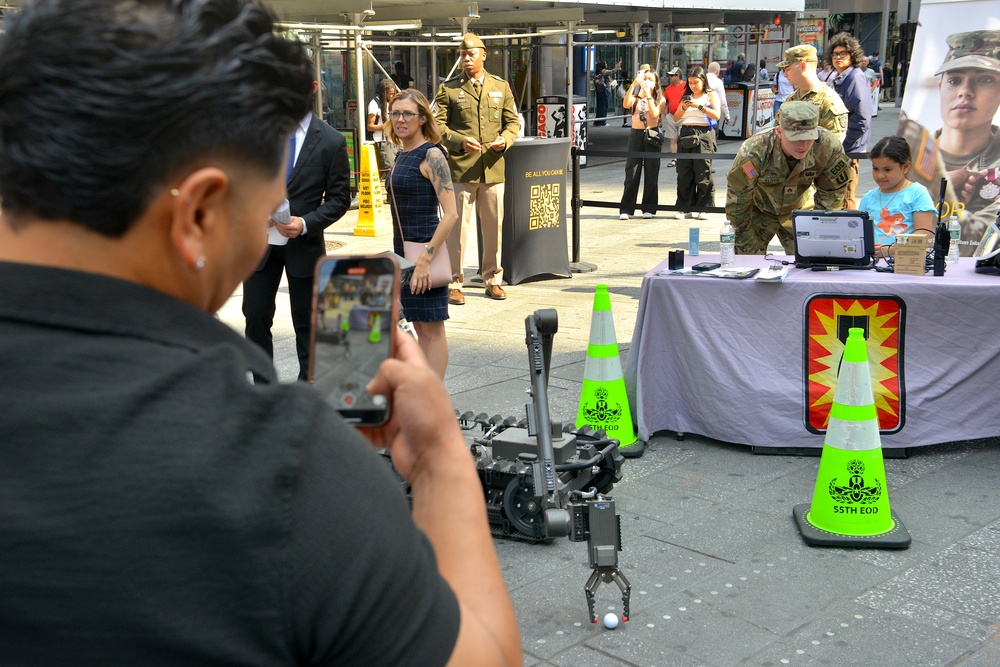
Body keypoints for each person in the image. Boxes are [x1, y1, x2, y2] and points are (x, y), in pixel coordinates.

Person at [0, 1, 521, 666]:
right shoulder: (278, 467)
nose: (259, 239)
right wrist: (442, 456)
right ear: (197, 214)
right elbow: (486, 655)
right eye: (260, 213)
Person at [243, 61, 351, 382]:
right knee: (256, 315)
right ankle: (264, 390)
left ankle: (308, 390)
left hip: (304, 244)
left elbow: (339, 199)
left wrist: (304, 223)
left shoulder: (332, 141)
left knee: (306, 321)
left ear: (313, 89)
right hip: (261, 243)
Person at [434, 33, 520, 305]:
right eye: (462, 54)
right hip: (461, 170)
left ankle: (493, 279)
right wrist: (459, 141)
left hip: (493, 170)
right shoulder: (448, 89)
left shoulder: (501, 86)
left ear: (484, 55)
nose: (466, 59)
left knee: (494, 228)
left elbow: (513, 123)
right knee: (456, 229)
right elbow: (437, 125)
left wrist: (504, 140)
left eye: (471, 54)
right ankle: (454, 281)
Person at [385, 89, 458, 378]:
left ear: (422, 118)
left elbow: (451, 213)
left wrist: (426, 259)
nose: (400, 119)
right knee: (417, 325)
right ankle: (423, 395)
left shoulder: (431, 154)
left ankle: (434, 401)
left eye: (407, 114)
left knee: (431, 328)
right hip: (404, 252)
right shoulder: (403, 152)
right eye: (395, 113)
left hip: (424, 251)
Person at [726, 101, 852, 254]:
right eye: (795, 138)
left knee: (813, 259)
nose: (803, 144)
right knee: (747, 263)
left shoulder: (827, 147)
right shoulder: (754, 151)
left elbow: (832, 197)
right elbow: (737, 205)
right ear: (779, 131)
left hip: (801, 211)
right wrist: (747, 247)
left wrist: (819, 234)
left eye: (809, 137)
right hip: (758, 211)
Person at [934, 30, 1000, 250]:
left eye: (984, 80)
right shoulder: (907, 155)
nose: (965, 91)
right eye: (954, 80)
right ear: (940, 87)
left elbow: (985, 244)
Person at [858, 136, 936, 258]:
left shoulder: (918, 193)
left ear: (905, 167)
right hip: (872, 263)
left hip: (905, 263)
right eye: (875, 169)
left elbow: (922, 236)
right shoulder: (868, 197)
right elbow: (859, 233)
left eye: (887, 170)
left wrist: (893, 250)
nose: (880, 175)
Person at [828, 33, 874, 208]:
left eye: (842, 53)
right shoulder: (842, 77)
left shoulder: (854, 77)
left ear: (852, 55)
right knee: (840, 197)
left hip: (850, 150)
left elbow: (862, 118)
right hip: (844, 148)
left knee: (846, 197)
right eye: (835, 54)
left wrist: (842, 143)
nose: (838, 57)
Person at [775, 44, 849, 147]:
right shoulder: (790, 99)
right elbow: (776, 135)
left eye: (787, 69)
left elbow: (831, 147)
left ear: (802, 66)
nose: (785, 75)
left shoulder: (829, 101)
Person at [673, 67, 721, 220]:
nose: (693, 86)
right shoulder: (686, 96)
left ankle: (704, 207)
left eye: (696, 82)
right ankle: (684, 207)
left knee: (702, 171)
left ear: (703, 81)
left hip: (704, 135)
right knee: (684, 172)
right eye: (690, 83)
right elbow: (676, 118)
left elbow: (717, 115)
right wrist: (684, 107)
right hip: (687, 133)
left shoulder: (711, 94)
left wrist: (699, 107)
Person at [618, 67, 665, 220]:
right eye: (645, 78)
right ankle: (626, 208)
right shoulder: (636, 98)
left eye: (651, 79)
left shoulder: (660, 99)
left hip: (652, 134)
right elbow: (626, 104)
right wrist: (633, 86)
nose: (647, 82)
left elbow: (655, 114)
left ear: (656, 83)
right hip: (636, 134)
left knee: (651, 171)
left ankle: (649, 208)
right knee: (632, 171)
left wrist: (649, 96)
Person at [368, 78, 399, 176]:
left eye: (392, 93)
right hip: (383, 140)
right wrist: (385, 126)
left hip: (396, 138)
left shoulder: (393, 102)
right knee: (390, 168)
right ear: (382, 92)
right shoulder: (374, 104)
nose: (390, 96)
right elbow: (370, 126)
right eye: (388, 93)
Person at [662, 66, 687, 167]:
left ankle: (682, 158)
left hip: (683, 115)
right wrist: (666, 115)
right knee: (673, 138)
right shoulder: (668, 89)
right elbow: (663, 102)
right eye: (670, 75)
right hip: (671, 116)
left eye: (672, 75)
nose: (670, 77)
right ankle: (675, 159)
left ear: (678, 76)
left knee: (682, 138)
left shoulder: (686, 86)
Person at [594, 59, 622, 126]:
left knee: (600, 106)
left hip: (600, 90)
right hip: (605, 90)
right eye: (605, 63)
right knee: (604, 106)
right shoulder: (603, 71)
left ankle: (597, 121)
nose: (606, 65)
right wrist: (617, 66)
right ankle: (602, 122)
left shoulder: (598, 72)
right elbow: (612, 71)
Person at [706, 62, 731, 134]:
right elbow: (722, 101)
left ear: (708, 70)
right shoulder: (718, 82)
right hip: (712, 113)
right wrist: (727, 116)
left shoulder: (701, 79)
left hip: (700, 112)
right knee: (712, 136)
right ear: (718, 72)